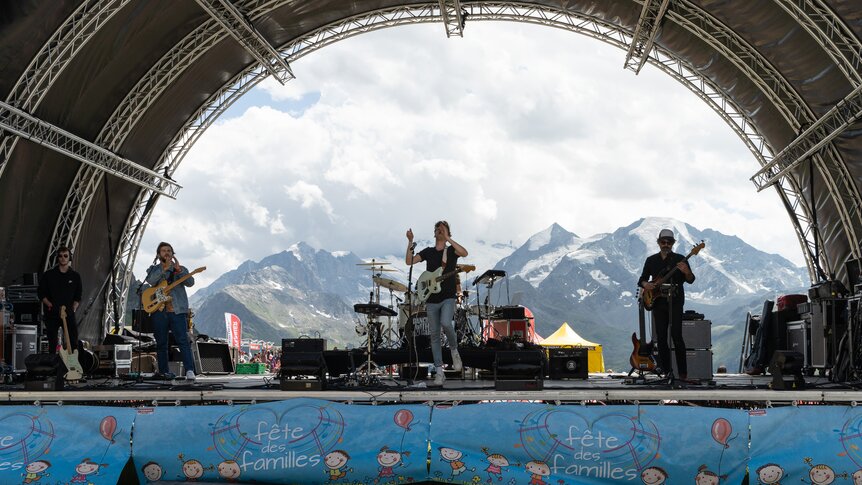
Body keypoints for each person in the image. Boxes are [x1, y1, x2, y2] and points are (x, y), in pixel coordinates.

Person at [406, 221, 468, 385]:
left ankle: (454, 350)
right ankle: (439, 371)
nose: (439, 230)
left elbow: (465, 253)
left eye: (443, 229)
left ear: (448, 232)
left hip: (448, 296)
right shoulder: (428, 252)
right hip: (431, 299)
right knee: (434, 335)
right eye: (437, 229)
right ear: (434, 233)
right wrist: (410, 242)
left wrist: (448, 239)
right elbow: (409, 261)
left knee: (446, 323)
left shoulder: (452, 251)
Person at [638, 228, 695, 381]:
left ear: (673, 243)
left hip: (675, 302)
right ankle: (666, 371)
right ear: (658, 243)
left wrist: (686, 271)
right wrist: (646, 285)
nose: (666, 244)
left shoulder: (681, 259)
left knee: (677, 336)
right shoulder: (651, 260)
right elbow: (641, 279)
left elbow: (691, 279)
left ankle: (683, 374)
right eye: (663, 242)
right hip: (657, 303)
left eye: (669, 242)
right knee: (661, 338)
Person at [145, 242, 197, 380]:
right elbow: (150, 280)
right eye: (163, 251)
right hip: (159, 310)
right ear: (158, 254)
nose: (166, 253)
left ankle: (189, 371)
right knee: (161, 342)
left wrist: (179, 270)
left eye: (169, 250)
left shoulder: (180, 269)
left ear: (173, 254)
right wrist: (164, 269)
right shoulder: (153, 269)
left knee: (182, 341)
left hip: (177, 310)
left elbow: (190, 283)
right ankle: (164, 371)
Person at [38, 246, 83, 354]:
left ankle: (73, 364)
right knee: (52, 342)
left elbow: (78, 294)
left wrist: (74, 306)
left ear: (69, 258)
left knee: (73, 340)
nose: (63, 258)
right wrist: (49, 304)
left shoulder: (75, 276)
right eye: (60, 256)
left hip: (69, 313)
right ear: (57, 258)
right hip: (52, 314)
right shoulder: (49, 275)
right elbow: (40, 292)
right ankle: (53, 366)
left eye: (65, 256)